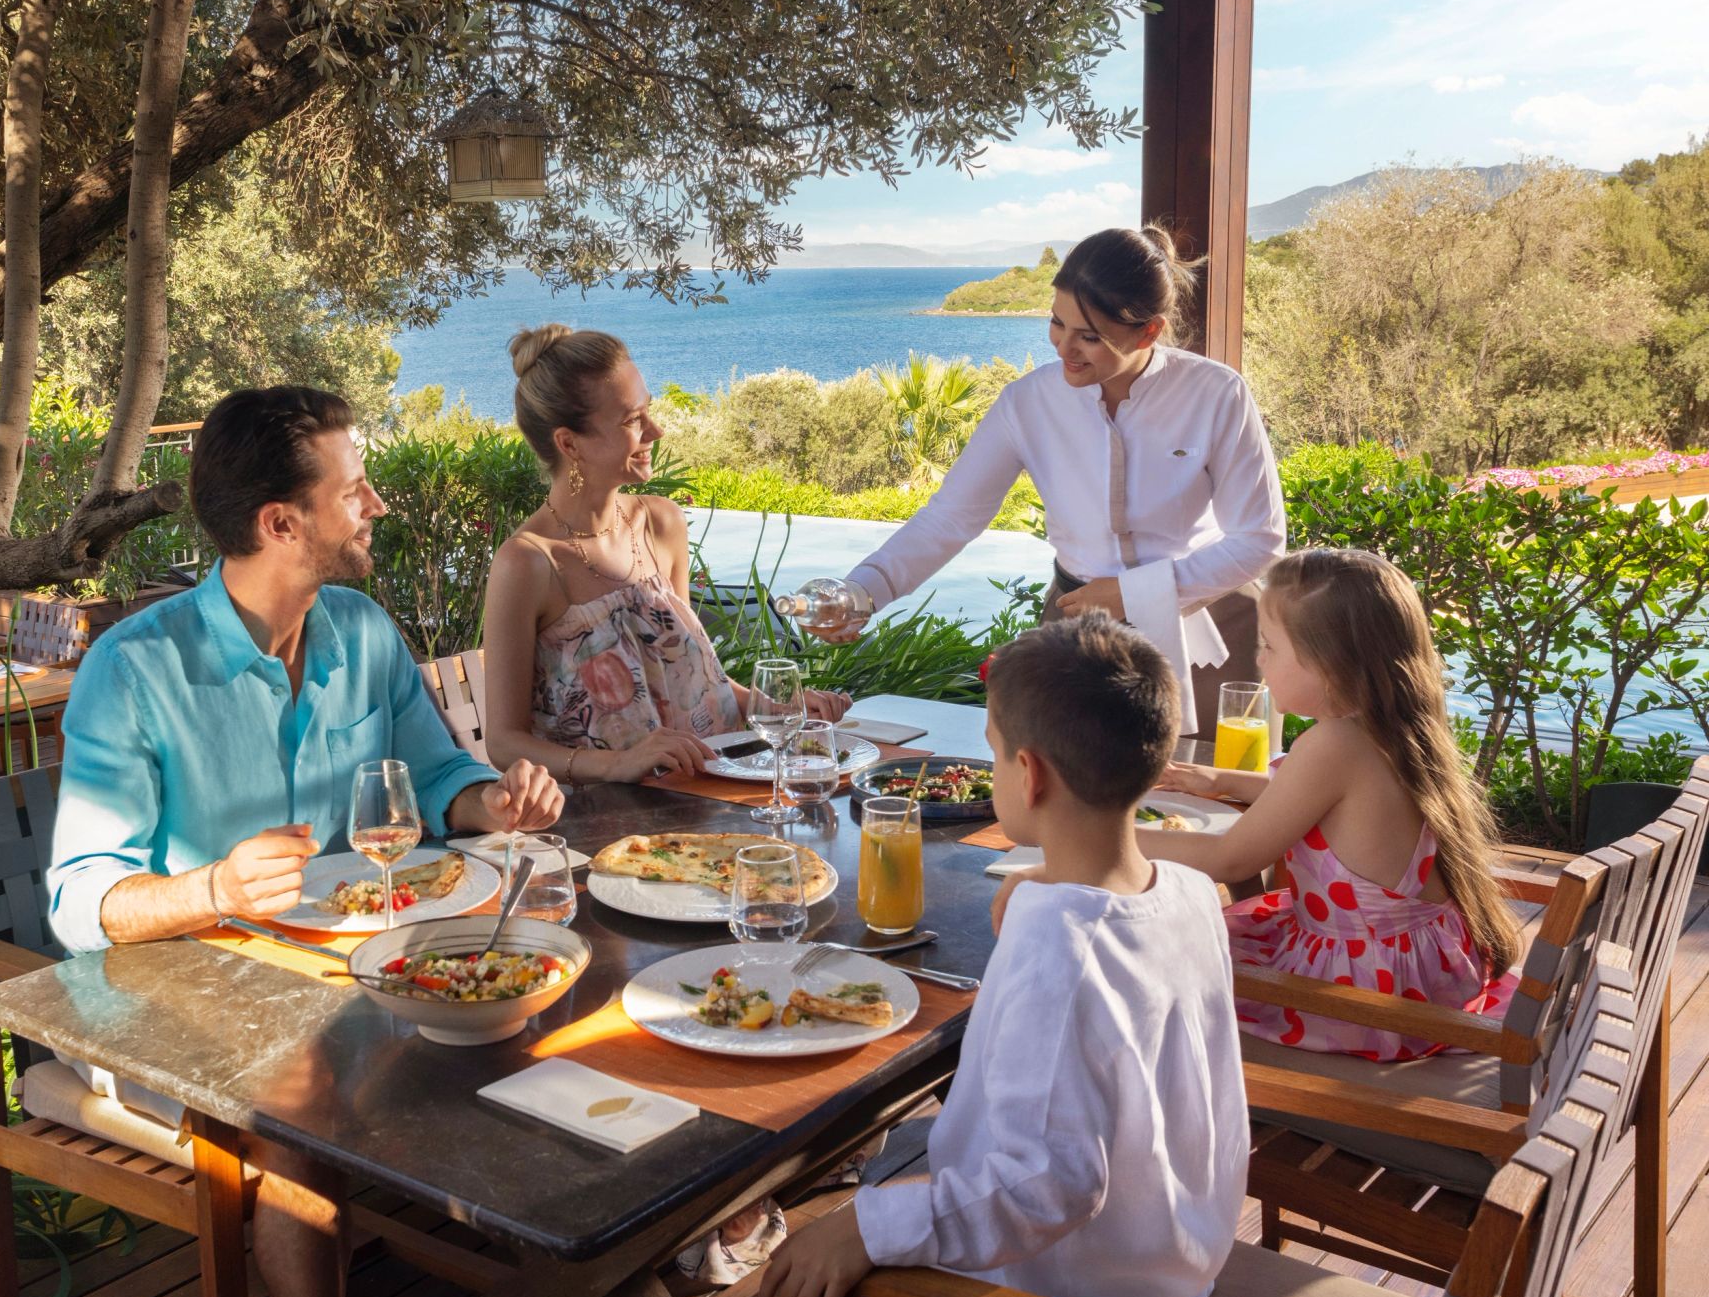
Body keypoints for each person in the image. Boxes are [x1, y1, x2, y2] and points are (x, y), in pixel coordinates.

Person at [47, 386, 565, 1297]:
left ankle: (572, 1282)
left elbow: (436, 771)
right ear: (280, 523)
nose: (377, 505)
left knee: (533, 1013)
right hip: (176, 1001)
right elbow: (82, 901)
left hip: (347, 975)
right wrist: (214, 886)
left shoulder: (361, 631)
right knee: (303, 1117)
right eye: (354, 489)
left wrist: (491, 802)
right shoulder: (133, 670)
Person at [745, 613, 1247, 1297]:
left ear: (1029, 775)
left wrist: (861, 1227)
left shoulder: (1060, 950)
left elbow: (1046, 1183)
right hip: (1166, 1266)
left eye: (994, 749)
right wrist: (1045, 883)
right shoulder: (1189, 893)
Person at [819, 226, 1286, 734]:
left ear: (1149, 332)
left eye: (1090, 336)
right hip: (1076, 631)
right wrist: (862, 591)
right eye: (1057, 323)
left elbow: (1260, 539)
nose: (1065, 348)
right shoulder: (1027, 403)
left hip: (1213, 631)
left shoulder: (1217, 394)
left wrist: (1137, 594)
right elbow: (950, 518)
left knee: (1212, 782)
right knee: (1065, 777)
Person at [1138, 548, 1522, 1061]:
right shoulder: (1389, 727)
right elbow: (1316, 798)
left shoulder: (1333, 745)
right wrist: (1216, 779)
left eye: (1269, 646)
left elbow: (1229, 860)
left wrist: (1096, 831)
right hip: (1420, 968)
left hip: (1366, 996)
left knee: (1158, 962)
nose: (1259, 660)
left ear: (1330, 664)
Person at [481, 324, 848, 783]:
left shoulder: (661, 524)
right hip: (616, 813)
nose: (656, 430)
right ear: (569, 443)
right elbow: (504, 743)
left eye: (648, 410)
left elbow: (693, 679)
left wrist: (775, 709)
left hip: (719, 787)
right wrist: (618, 765)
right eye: (632, 420)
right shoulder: (528, 564)